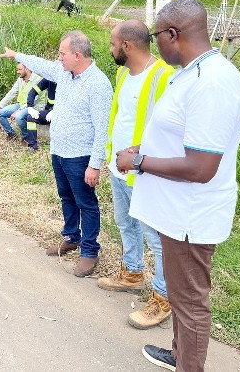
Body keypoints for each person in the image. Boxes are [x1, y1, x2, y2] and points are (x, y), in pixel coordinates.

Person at [116, 0, 240, 372]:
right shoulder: (193, 74)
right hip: (177, 213)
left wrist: (139, 161)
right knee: (181, 294)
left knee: (189, 303)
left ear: (173, 34)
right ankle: (180, 354)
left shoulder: (213, 83)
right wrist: (146, 148)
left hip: (191, 216)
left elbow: (202, 166)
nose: (154, 43)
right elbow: (185, 137)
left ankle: (190, 365)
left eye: (156, 36)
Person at [0, 31, 113, 277]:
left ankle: (89, 250)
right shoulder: (65, 73)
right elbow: (42, 64)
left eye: (62, 54)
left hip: (80, 156)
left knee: (86, 203)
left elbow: (103, 128)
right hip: (59, 151)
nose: (58, 58)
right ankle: (72, 236)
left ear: (77, 55)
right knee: (66, 197)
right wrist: (16, 55)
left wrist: (95, 164)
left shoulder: (98, 84)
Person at [97, 20, 174, 330]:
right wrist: (110, 156)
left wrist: (142, 161)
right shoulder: (122, 73)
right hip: (119, 169)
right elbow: (121, 118)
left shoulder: (163, 77)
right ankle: (132, 273)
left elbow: (170, 132)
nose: (111, 49)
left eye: (114, 45)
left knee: (157, 239)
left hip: (147, 172)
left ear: (127, 46)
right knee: (125, 223)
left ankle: (164, 298)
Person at [0, 63, 43, 143]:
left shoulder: (38, 80)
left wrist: (18, 111)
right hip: (22, 105)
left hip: (35, 107)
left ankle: (26, 137)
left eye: (19, 69)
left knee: (19, 116)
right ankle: (11, 134)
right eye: (17, 69)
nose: (17, 72)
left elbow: (33, 101)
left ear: (27, 69)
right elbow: (12, 93)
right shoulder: (20, 79)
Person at [26, 78, 56, 151]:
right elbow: (33, 92)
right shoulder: (48, 79)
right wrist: (30, 107)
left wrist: (56, 111)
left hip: (64, 113)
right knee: (31, 118)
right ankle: (32, 146)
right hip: (49, 111)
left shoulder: (67, 81)